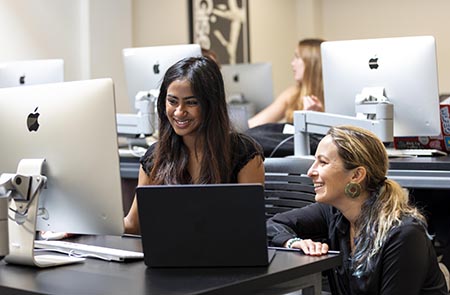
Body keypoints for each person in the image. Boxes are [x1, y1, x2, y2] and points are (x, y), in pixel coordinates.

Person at [266, 125, 448, 294]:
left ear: (356, 175)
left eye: (322, 162)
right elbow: (272, 225)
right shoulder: (332, 212)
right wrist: (293, 243)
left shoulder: (404, 234)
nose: (310, 172)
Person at [124, 56, 265, 234]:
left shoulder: (243, 153)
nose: (179, 112)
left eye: (191, 102)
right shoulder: (155, 157)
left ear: (210, 105)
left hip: (226, 256)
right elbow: (133, 223)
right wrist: (91, 226)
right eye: (172, 101)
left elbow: (250, 227)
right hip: (170, 255)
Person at [248, 38, 325, 128]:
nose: (292, 63)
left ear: (311, 62)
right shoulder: (292, 94)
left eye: (297, 57)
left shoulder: (333, 98)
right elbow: (254, 124)